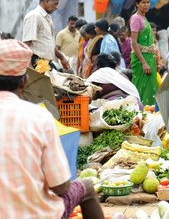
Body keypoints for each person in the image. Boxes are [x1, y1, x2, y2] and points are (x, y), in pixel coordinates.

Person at [0, 39, 103, 219]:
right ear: (24, 82)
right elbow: (61, 186)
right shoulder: (38, 117)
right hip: (35, 214)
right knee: (86, 186)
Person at [22, 0, 70, 71]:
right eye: (55, 4)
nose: (56, 7)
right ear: (47, 0)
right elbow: (26, 44)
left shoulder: (47, 18)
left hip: (47, 64)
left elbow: (50, 44)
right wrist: (29, 69)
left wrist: (62, 58)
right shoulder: (34, 16)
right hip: (37, 64)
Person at [129, 0, 158, 105]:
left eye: (147, 2)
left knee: (150, 87)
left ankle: (149, 112)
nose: (146, 5)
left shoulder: (143, 17)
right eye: (143, 2)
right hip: (142, 58)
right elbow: (134, 42)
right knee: (142, 87)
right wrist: (144, 63)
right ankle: (141, 112)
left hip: (149, 57)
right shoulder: (136, 18)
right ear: (137, 4)